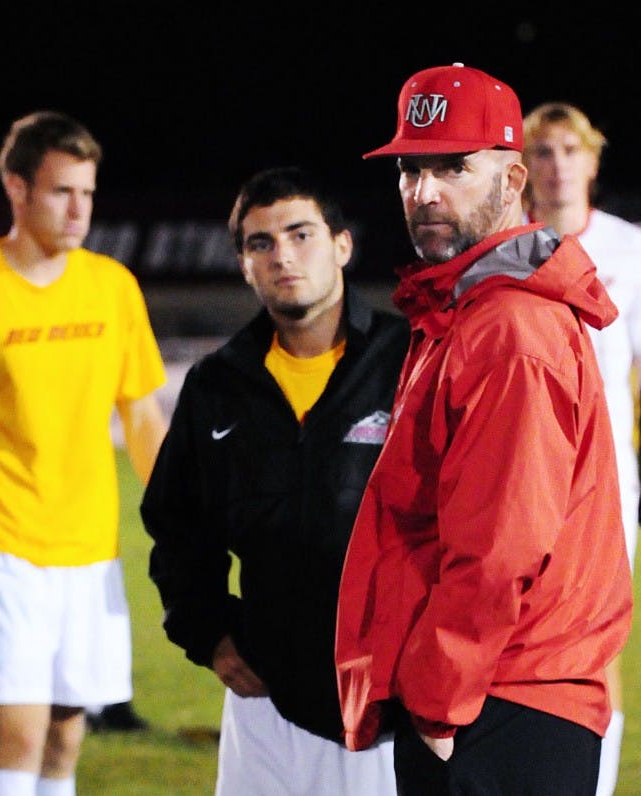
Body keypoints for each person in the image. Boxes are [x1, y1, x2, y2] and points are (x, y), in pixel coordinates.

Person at [334, 63, 634, 794]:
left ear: (511, 181)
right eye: (411, 169)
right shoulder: (472, 311)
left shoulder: (509, 329)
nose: (424, 191)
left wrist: (437, 700)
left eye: (452, 168)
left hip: (499, 697)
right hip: (498, 690)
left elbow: (501, 542)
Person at [140, 166, 409, 794]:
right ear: (243, 264)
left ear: (342, 245)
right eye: (260, 243)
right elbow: (177, 524)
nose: (282, 256)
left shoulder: (410, 361)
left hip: (385, 702)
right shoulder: (218, 384)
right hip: (264, 700)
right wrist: (208, 632)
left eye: (300, 234)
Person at [0, 110, 168, 795]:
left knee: (65, 738)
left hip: (90, 551)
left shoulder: (111, 287)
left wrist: (184, 513)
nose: (78, 210)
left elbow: (143, 417)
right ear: (17, 188)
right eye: (63, 191)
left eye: (87, 193)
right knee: (20, 734)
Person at [522, 100, 641, 796]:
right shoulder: (506, 243)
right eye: (544, 152)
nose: (558, 165)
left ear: (593, 161)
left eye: (571, 150)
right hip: (519, 473)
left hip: (604, 482)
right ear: (525, 167)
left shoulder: (629, 248)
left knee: (598, 640)